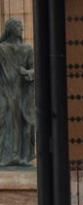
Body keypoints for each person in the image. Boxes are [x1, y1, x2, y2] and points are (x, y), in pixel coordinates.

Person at [0, 18, 35, 166]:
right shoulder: (1, 49)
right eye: (18, 26)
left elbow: (34, 69)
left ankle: (22, 157)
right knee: (4, 121)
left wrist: (27, 72)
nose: (21, 28)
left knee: (24, 125)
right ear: (10, 29)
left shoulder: (28, 49)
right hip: (4, 92)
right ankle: (5, 156)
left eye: (22, 26)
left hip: (22, 93)